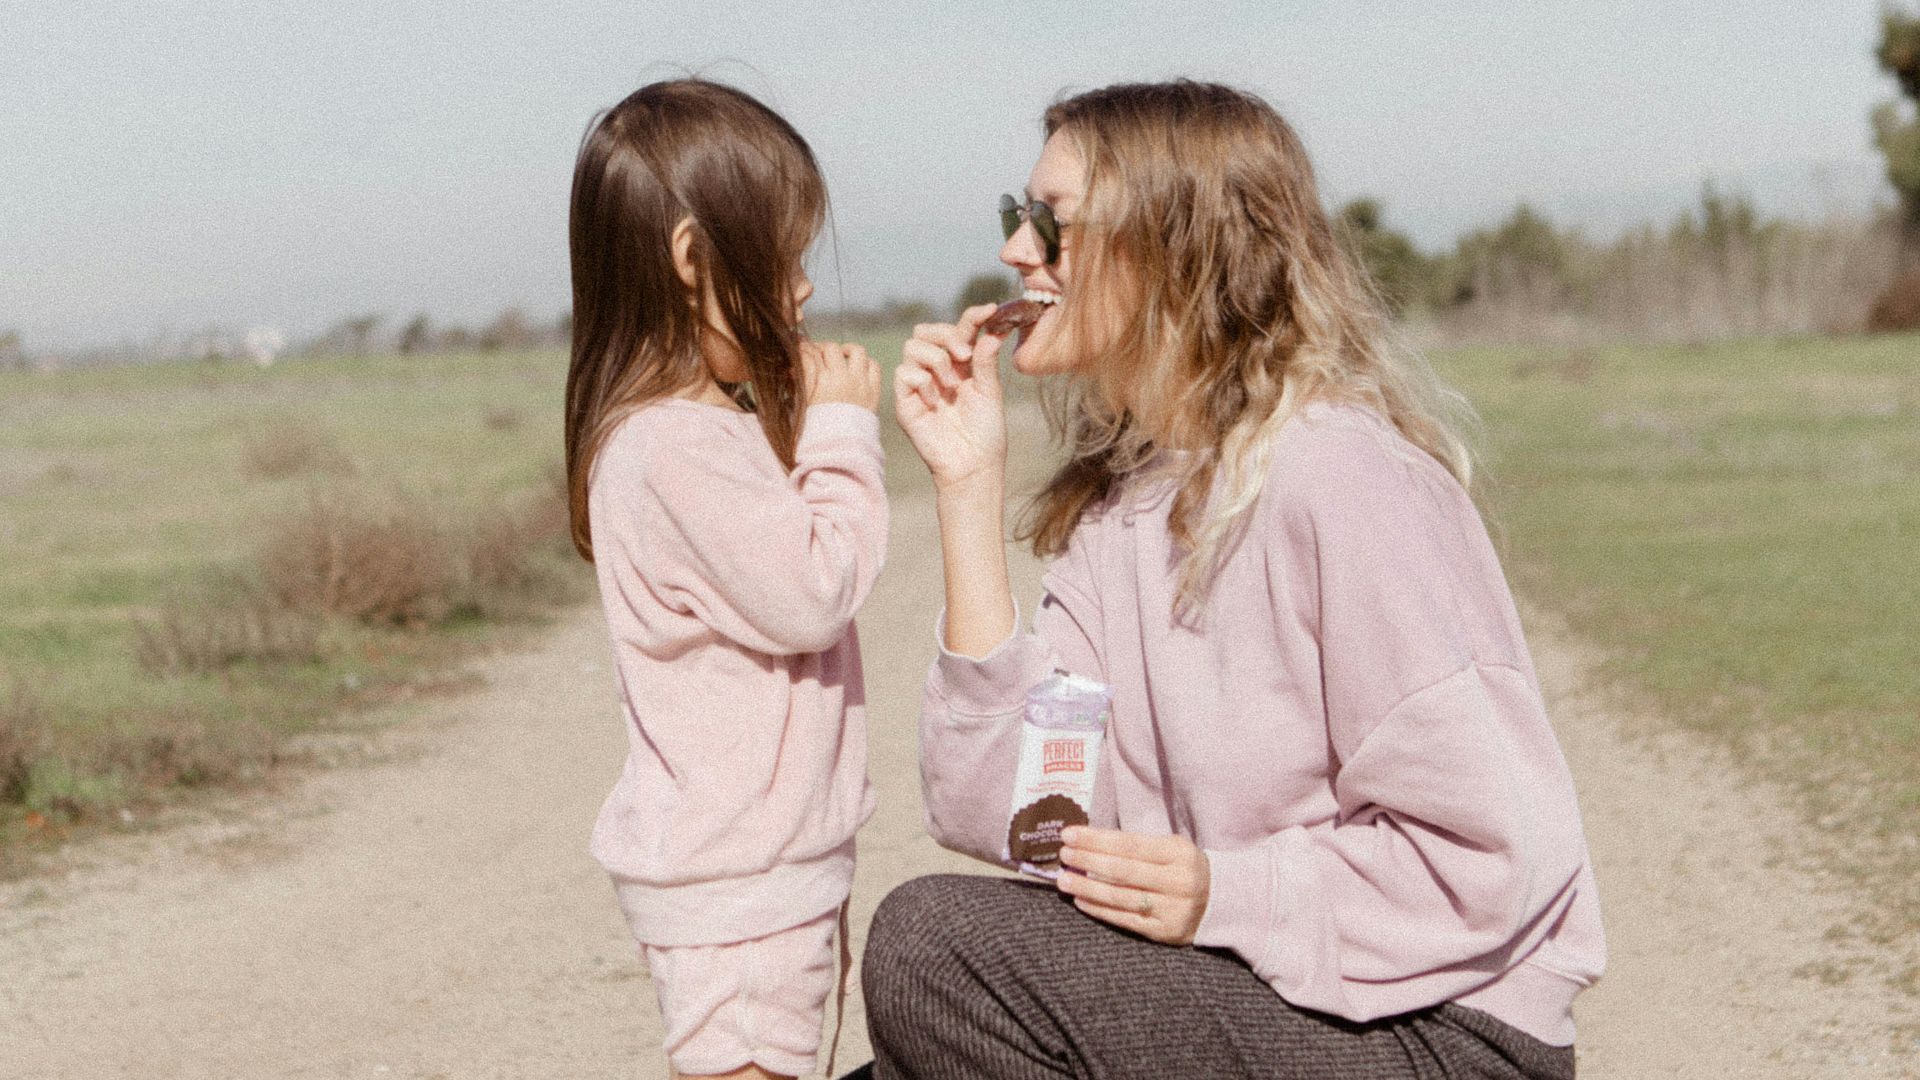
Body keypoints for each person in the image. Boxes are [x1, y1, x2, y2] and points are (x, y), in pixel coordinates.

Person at [865, 80, 1604, 1079]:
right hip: (1263, 995)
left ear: (1182, 243)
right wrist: (966, 485)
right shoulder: (1117, 507)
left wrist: (1227, 894)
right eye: (1014, 215)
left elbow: (1495, 853)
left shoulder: (1341, 478)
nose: (1015, 251)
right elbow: (1034, 824)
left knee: (932, 951)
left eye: (1051, 222)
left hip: (1443, 1031)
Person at [563, 79, 885, 1080]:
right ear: (693, 258)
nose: (802, 291)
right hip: (745, 879)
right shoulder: (672, 446)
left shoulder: (691, 432)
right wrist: (841, 432)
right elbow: (814, 587)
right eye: (783, 259)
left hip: (760, 872)